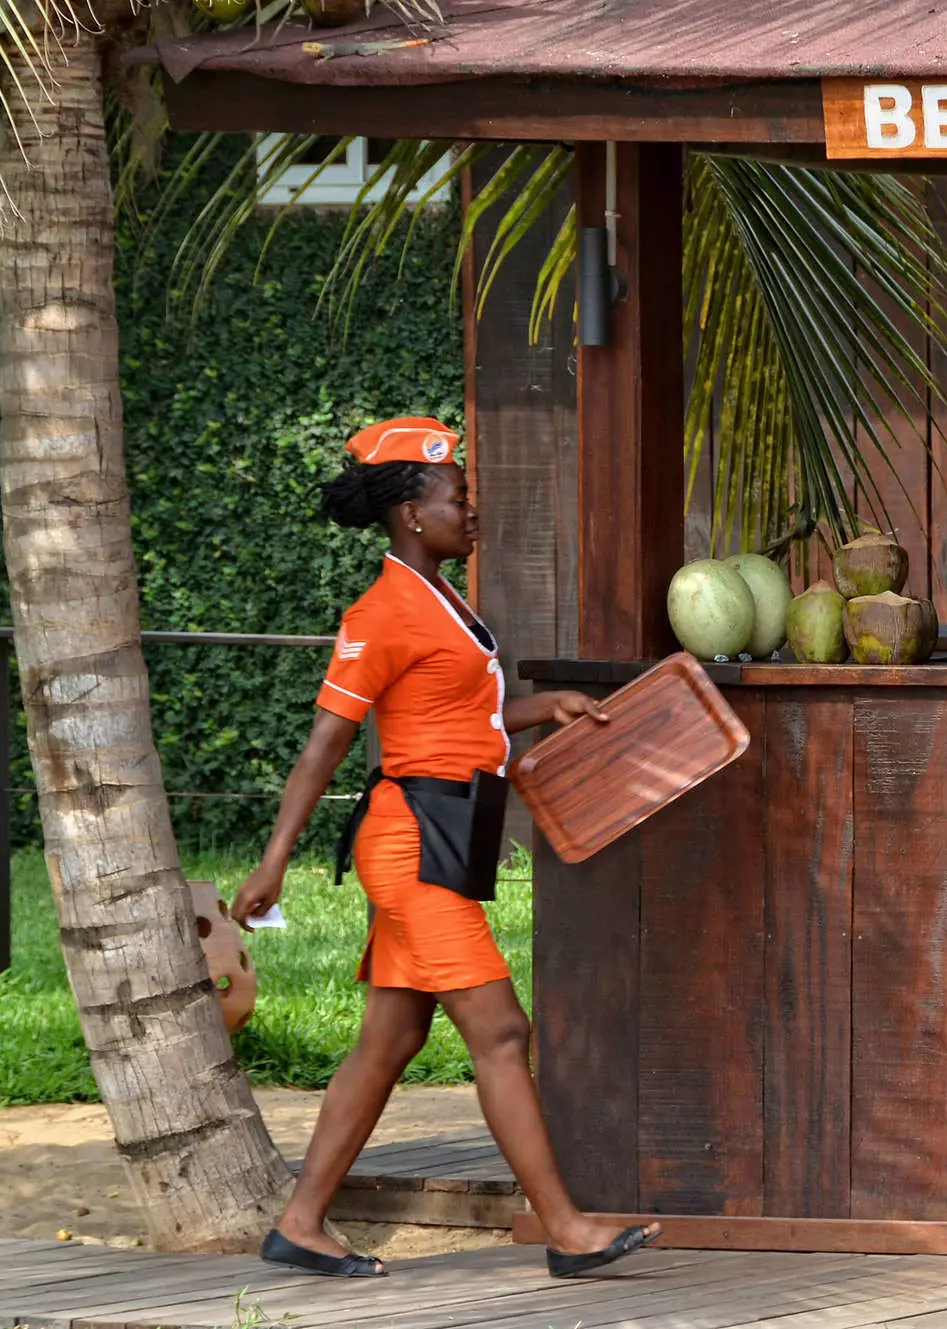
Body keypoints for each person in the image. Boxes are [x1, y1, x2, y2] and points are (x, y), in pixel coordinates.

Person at [232, 416, 658, 1280]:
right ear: (410, 514)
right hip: (412, 843)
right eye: (456, 496)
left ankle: (302, 1221)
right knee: (502, 1030)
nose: (472, 509)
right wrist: (275, 857)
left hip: (450, 834)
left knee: (388, 1041)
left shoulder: (446, 601)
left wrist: (547, 709)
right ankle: (566, 1228)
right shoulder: (381, 611)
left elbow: (460, 722)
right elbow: (327, 742)